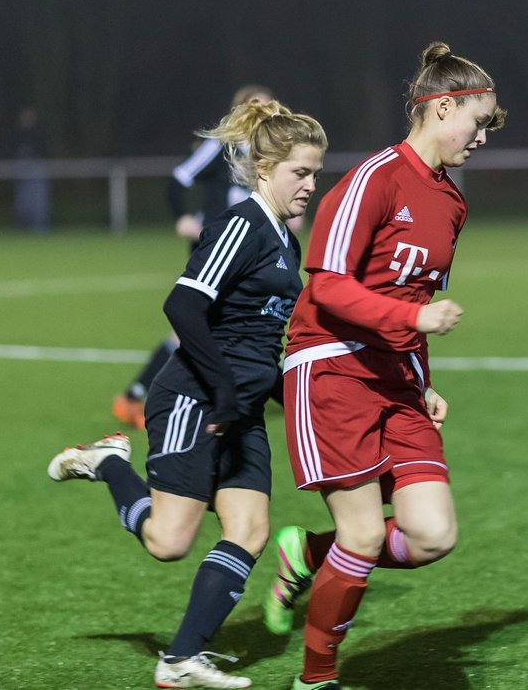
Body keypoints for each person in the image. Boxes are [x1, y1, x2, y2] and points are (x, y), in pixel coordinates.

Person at [47, 99, 327, 690]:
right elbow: (183, 305)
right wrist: (224, 390)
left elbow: (259, 342)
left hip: (237, 410)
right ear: (264, 169)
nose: (310, 184)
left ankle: (180, 659)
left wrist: (301, 394)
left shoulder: (285, 241)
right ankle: (109, 465)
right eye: (300, 172)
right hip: (194, 400)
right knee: (169, 542)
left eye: (315, 173)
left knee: (249, 530)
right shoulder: (242, 225)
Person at [262, 42, 506, 690]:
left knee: (432, 536)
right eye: (475, 121)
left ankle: (309, 552)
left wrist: (423, 383)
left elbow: (413, 298)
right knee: (365, 536)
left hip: (397, 378)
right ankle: (316, 678)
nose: (480, 137)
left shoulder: (453, 204)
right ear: (441, 106)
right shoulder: (374, 179)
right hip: (331, 366)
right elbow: (326, 286)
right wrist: (413, 324)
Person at [111, 84, 273, 429]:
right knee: (197, 328)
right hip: (215, 250)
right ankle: (135, 397)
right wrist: (183, 218)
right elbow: (178, 179)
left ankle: (160, 395)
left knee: (237, 322)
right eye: (254, 107)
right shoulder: (222, 146)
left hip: (245, 253)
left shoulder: (267, 155)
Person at [13, 106, 51, 233]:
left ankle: (39, 226)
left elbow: (44, 150)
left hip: (37, 168)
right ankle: (23, 225)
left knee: (38, 198)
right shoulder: (17, 133)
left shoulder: (39, 133)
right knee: (23, 200)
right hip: (21, 169)